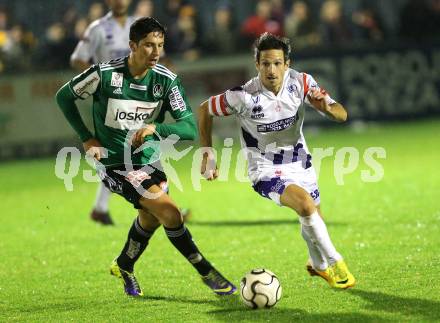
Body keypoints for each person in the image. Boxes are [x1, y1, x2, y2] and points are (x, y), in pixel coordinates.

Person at [56, 17, 236, 297]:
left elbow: (188, 126)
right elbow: (63, 97)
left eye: (160, 46)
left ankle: (124, 265)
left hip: (149, 162)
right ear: (132, 46)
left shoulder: (166, 81)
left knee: (151, 218)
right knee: (170, 211)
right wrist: (86, 136)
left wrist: (155, 128)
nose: (155, 52)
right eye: (148, 45)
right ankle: (207, 272)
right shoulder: (103, 74)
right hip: (114, 163)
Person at [198, 32, 355, 289]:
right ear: (257, 64)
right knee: (306, 206)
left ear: (287, 64)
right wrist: (207, 153)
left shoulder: (302, 83)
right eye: (266, 64)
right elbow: (205, 109)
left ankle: (318, 265)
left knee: (314, 215)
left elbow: (342, 114)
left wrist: (327, 108)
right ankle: (335, 261)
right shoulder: (244, 96)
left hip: (299, 160)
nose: (272, 69)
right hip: (265, 168)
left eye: (277, 63)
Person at [70, 0, 137, 225]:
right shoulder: (97, 28)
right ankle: (163, 204)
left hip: (136, 96)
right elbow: (77, 58)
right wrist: (97, 79)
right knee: (139, 148)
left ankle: (100, 207)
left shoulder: (139, 25)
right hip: (110, 100)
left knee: (123, 153)